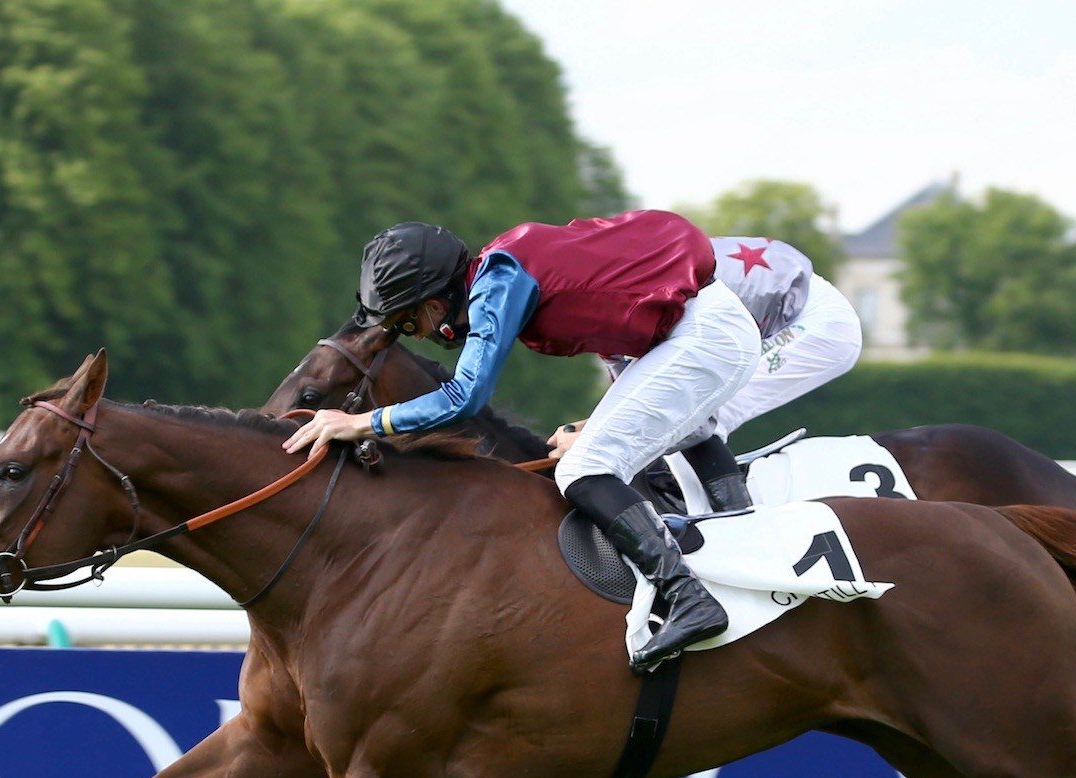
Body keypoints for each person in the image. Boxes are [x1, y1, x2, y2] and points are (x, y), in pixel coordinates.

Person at [282, 210, 761, 674]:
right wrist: (595, 424)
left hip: (704, 335)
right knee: (670, 435)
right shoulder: (510, 264)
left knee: (582, 469)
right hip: (702, 328)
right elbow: (621, 335)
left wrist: (361, 423)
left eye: (409, 324)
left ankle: (687, 597)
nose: (420, 336)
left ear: (434, 302)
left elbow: (462, 398)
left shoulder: (499, 280)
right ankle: (743, 524)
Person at [552, 235, 864, 513]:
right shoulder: (610, 308)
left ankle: (748, 531)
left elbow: (684, 415)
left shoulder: (637, 298)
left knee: (702, 414)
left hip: (818, 322)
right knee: (686, 412)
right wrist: (590, 428)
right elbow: (638, 398)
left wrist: (588, 441)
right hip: (783, 304)